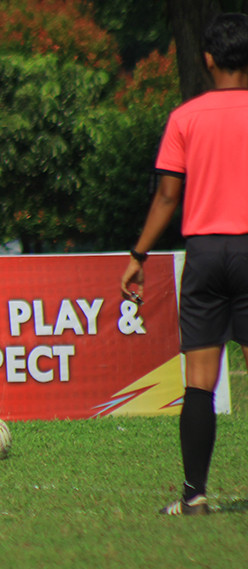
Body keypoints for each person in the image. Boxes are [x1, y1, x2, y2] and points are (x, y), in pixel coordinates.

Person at [120, 12, 248, 516]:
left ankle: (194, 495)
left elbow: (168, 197)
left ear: (208, 58)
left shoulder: (186, 117)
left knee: (200, 378)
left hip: (205, 255)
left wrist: (138, 255)